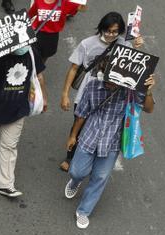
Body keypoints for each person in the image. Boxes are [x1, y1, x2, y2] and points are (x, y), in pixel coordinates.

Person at [64, 58, 154, 228]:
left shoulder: (131, 91)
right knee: (76, 171)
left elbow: (149, 108)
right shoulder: (92, 87)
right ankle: (75, 182)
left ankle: (84, 211)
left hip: (112, 142)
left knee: (100, 177)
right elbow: (82, 113)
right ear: (101, 73)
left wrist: (147, 90)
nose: (111, 83)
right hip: (90, 136)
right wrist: (73, 136)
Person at [58, 13, 135, 172]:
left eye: (115, 32)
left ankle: (93, 157)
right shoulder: (87, 44)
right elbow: (73, 69)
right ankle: (70, 156)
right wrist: (65, 94)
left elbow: (133, 64)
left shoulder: (124, 44)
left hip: (112, 94)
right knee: (79, 122)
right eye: (108, 31)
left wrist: (137, 47)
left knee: (104, 127)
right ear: (101, 28)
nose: (111, 35)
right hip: (88, 91)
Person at [0, 44, 46, 200]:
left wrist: (43, 98)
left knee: (9, 146)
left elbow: (38, 75)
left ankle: (6, 185)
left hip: (17, 111)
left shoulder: (31, 52)